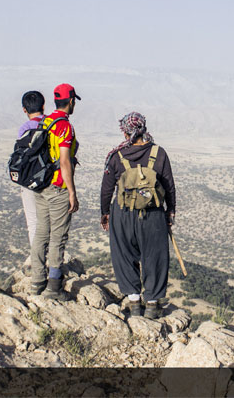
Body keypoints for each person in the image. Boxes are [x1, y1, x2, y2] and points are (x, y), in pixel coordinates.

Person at [100, 112, 176, 319]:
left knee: (124, 255)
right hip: (153, 215)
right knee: (155, 257)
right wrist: (170, 212)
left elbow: (107, 189)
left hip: (123, 214)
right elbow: (168, 186)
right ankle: (152, 306)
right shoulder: (159, 153)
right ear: (143, 129)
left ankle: (134, 303)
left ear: (125, 132)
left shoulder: (116, 156)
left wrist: (105, 213)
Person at [30, 83, 80, 300]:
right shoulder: (64, 126)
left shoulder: (46, 121)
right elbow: (64, 161)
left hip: (40, 185)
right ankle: (53, 286)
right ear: (71, 101)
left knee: (42, 231)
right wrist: (72, 192)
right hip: (58, 186)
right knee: (58, 236)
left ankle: (36, 280)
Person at [18, 90, 46, 245]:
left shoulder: (24, 129)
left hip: (29, 180)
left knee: (33, 222)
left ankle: (38, 259)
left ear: (24, 109)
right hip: (50, 180)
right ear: (43, 105)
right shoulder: (52, 124)